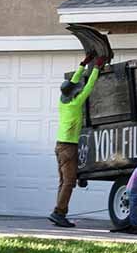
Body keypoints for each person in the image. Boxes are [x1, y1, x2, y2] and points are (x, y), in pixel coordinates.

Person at [48, 54, 105, 227]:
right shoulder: (75, 103)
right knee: (70, 181)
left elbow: (72, 82)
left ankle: (59, 212)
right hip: (68, 147)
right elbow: (89, 86)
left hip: (59, 145)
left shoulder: (63, 102)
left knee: (63, 182)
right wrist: (96, 67)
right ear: (74, 94)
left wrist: (83, 64)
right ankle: (58, 212)